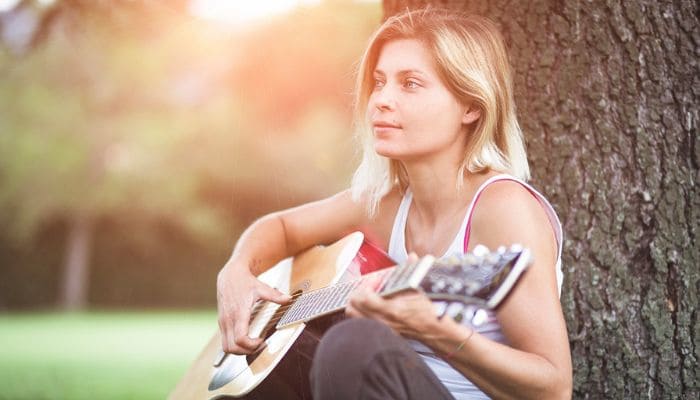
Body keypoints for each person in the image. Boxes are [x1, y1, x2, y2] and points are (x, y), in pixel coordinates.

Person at [216, 7, 572, 400]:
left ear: (471, 106)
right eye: (380, 82)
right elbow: (281, 228)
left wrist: (439, 332)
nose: (381, 100)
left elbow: (553, 389)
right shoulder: (387, 206)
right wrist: (236, 272)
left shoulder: (503, 208)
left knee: (353, 346)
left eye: (411, 84)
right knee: (266, 365)